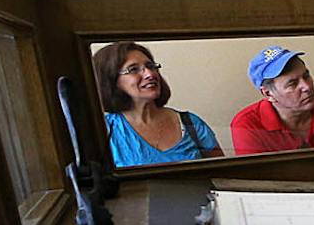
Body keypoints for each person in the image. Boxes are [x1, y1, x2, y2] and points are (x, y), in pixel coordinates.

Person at [92, 41, 222, 166]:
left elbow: (222, 175)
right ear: (111, 80)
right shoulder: (104, 131)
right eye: (133, 69)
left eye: (151, 66)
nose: (149, 74)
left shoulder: (191, 122)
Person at [230, 46, 314, 155]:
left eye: (306, 76)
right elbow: (258, 172)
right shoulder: (247, 124)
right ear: (268, 94)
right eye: (293, 84)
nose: (307, 87)